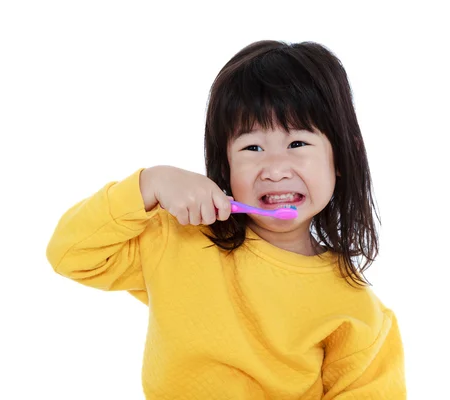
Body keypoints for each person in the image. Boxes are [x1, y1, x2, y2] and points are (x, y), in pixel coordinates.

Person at [46, 40, 406, 399]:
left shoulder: (359, 313)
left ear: (342, 156)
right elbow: (70, 254)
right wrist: (148, 183)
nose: (275, 170)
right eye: (252, 148)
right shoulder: (178, 238)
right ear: (225, 165)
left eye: (297, 143)